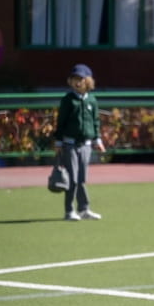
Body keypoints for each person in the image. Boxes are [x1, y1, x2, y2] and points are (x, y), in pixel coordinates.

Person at [55, 63, 105, 220]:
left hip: (86, 145)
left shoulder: (92, 100)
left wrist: (98, 139)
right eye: (75, 79)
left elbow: (95, 121)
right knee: (73, 179)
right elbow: (61, 122)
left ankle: (84, 209)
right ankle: (69, 211)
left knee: (82, 179)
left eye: (81, 79)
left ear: (88, 81)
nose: (77, 82)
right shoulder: (68, 100)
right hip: (69, 144)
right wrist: (58, 142)